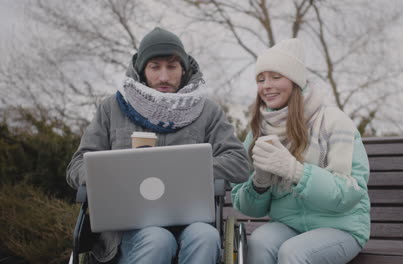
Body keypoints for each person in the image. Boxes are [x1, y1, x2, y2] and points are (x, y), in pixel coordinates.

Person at [66, 27, 250, 264]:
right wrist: (111, 173)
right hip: (126, 230)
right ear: (142, 70)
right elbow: (76, 166)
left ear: (183, 69)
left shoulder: (208, 112)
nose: (164, 77)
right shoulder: (111, 108)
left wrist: (187, 169)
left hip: (192, 222)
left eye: (171, 67)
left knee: (205, 236)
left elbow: (239, 164)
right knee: (158, 239)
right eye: (155, 67)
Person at [231, 38, 370, 264]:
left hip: (340, 227)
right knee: (260, 240)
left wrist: (295, 171)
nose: (266, 85)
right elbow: (248, 208)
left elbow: (349, 194)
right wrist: (260, 182)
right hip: (289, 225)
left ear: (295, 81)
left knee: (293, 252)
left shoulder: (334, 122)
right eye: (261, 79)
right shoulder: (258, 132)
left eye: (276, 77)